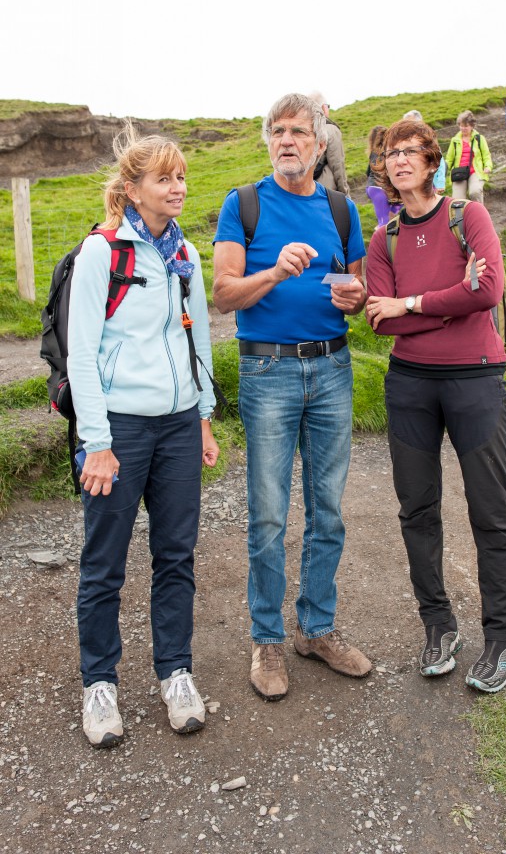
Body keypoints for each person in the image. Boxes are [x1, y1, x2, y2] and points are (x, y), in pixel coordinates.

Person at [213, 93, 372, 701]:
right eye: (277, 132)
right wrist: (275, 273)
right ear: (267, 141)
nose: (287, 141)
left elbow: (355, 285)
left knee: (327, 509)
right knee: (270, 513)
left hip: (332, 369)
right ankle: (267, 639)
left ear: (319, 140)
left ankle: (317, 629)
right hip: (268, 373)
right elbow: (223, 296)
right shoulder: (245, 205)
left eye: (299, 132)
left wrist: (352, 300)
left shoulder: (339, 209)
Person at [68, 126, 219, 748]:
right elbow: (82, 353)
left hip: (180, 424)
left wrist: (204, 414)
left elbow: (200, 337)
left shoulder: (185, 255)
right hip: (120, 430)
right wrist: (97, 441)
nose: (178, 188)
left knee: (176, 557)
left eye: (181, 177)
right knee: (104, 563)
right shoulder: (102, 251)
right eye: (165, 178)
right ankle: (98, 683)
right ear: (132, 188)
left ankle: (175, 673)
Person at [365, 118, 506, 694]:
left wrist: (409, 303)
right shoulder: (385, 238)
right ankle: (439, 627)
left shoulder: (467, 216)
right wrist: (441, 303)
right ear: (383, 167)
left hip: (475, 379)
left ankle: (501, 637)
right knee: (417, 510)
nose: (399, 159)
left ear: (433, 162)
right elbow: (379, 322)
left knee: (491, 509)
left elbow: (488, 292)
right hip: (410, 384)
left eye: (411, 151)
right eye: (390, 152)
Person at [445, 110, 493, 204]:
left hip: (475, 171)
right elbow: (449, 159)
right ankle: (460, 219)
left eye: (466, 126)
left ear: (472, 126)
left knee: (475, 192)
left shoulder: (479, 138)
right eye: (461, 126)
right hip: (459, 173)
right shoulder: (454, 140)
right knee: (458, 201)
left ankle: (479, 216)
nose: (463, 128)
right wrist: (443, 171)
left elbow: (486, 155)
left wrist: (488, 166)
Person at [308, 90, 350, 195]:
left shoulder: (302, 131)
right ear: (323, 107)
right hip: (324, 192)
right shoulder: (330, 130)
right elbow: (337, 165)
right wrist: (345, 195)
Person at [403, 109, 447, 191]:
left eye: (410, 123)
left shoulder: (429, 140)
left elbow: (439, 162)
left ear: (419, 123)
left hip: (429, 184)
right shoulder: (402, 142)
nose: (407, 127)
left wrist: (440, 183)